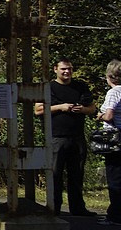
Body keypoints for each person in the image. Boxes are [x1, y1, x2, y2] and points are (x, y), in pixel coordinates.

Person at [36, 58, 98, 216]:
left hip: (77, 137)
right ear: (55, 69)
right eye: (63, 69)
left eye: (69, 69)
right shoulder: (48, 88)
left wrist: (81, 109)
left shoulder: (80, 86)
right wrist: (61, 107)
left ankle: (77, 208)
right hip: (56, 138)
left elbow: (92, 108)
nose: (67, 72)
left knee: (76, 175)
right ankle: (54, 207)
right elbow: (38, 110)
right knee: (55, 174)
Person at [94, 59, 121, 226]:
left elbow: (109, 115)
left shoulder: (114, 93)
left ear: (109, 76)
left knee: (114, 176)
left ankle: (115, 215)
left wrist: (100, 116)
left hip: (114, 137)